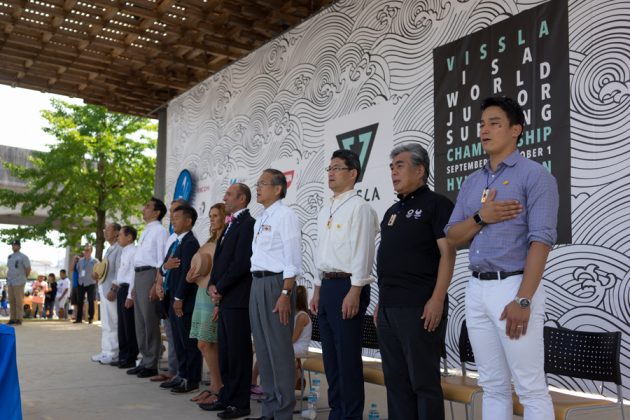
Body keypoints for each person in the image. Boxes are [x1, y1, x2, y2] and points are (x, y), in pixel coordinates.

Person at [445, 96, 558, 420]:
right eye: (482, 124)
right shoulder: (472, 181)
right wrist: (482, 216)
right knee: (492, 385)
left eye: (494, 123)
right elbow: (452, 237)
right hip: (476, 289)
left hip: (514, 287)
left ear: (516, 130)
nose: (484, 130)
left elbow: (541, 242)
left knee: (529, 387)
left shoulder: (535, 176)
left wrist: (523, 300)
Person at [375, 143, 456, 420]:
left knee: (423, 383)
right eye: (391, 167)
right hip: (388, 308)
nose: (393, 172)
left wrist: (436, 300)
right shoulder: (391, 212)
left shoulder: (437, 204)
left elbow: (448, 255)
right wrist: (380, 304)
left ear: (420, 170)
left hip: (420, 308)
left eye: (400, 165)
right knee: (396, 383)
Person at [308, 149, 378, 419]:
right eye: (329, 169)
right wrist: (316, 288)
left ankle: (349, 415)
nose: (331, 173)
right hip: (327, 286)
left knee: (347, 358)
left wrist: (356, 289)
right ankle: (336, 411)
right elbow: (321, 253)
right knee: (331, 359)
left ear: (353, 173)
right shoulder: (327, 207)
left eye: (337, 168)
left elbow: (363, 251)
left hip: (349, 286)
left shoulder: (360, 207)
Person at [248, 169, 302, 420]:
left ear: (278, 188)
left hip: (276, 285)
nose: (257, 188)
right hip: (257, 284)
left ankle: (283, 412)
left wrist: (284, 292)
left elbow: (292, 260)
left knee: (279, 350)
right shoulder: (261, 218)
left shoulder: (286, 215)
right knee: (263, 348)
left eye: (262, 184)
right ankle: (268, 410)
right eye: (257, 184)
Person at [202, 184, 255, 420]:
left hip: (238, 299)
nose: (224, 198)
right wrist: (212, 285)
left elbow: (241, 262)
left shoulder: (248, 224)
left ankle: (240, 402)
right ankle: (226, 396)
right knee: (225, 351)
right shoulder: (231, 223)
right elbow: (221, 260)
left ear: (242, 199)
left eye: (229, 195)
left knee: (238, 353)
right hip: (224, 298)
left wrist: (220, 287)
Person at [187, 203, 226, 405]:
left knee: (208, 342)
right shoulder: (210, 241)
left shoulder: (227, 239)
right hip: (201, 293)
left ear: (224, 217)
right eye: (210, 215)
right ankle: (214, 384)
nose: (211, 219)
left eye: (215, 215)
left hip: (215, 295)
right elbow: (197, 273)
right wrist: (192, 275)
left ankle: (218, 386)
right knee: (203, 343)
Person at [161, 204, 201, 393]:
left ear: (188, 221)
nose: (173, 222)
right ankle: (182, 374)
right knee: (178, 341)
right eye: (172, 218)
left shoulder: (191, 243)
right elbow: (165, 266)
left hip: (183, 300)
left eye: (177, 219)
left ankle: (191, 379)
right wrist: (163, 269)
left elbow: (188, 273)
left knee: (188, 342)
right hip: (171, 298)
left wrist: (179, 297)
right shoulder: (176, 242)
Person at [127, 198, 169, 378]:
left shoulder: (160, 231)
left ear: (157, 212)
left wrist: (156, 283)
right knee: (140, 322)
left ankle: (151, 362)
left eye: (147, 207)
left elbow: (161, 259)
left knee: (149, 320)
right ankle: (144, 359)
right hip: (139, 275)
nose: (143, 209)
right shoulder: (147, 230)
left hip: (150, 274)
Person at [252, 284, 312, 396]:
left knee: (272, 351)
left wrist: (277, 342)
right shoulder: (292, 314)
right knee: (265, 350)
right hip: (291, 345)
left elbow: (294, 339)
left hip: (299, 346)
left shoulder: (302, 316)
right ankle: (254, 381)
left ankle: (276, 386)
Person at [154, 198, 187, 387]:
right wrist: (158, 282)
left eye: (177, 213)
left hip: (176, 293)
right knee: (170, 332)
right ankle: (173, 369)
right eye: (171, 213)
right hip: (165, 289)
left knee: (177, 336)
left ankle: (177, 371)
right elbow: (164, 265)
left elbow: (179, 268)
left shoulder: (186, 239)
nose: (172, 217)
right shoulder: (172, 237)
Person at [92, 223, 123, 364]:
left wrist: (114, 289)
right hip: (103, 288)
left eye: (109, 229)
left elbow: (119, 270)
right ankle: (105, 351)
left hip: (112, 291)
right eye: (105, 229)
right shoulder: (109, 249)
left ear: (117, 232)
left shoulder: (120, 248)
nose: (105, 232)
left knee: (113, 322)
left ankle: (113, 353)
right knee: (105, 323)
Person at [111, 225, 139, 369]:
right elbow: (121, 273)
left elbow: (134, 275)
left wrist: (130, 296)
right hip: (122, 288)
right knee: (122, 325)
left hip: (129, 289)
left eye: (120, 235)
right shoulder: (123, 252)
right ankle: (123, 355)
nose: (118, 237)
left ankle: (131, 357)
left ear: (129, 237)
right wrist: (115, 287)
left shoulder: (134, 251)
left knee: (129, 325)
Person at [6, 240, 31, 325]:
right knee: (11, 300)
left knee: (19, 301)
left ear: (19, 247)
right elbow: (9, 268)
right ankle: (12, 318)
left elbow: (28, 269)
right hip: (10, 281)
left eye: (16, 245)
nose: (14, 247)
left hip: (19, 281)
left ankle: (19, 319)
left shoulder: (23, 257)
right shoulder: (10, 256)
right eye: (13, 245)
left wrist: (23, 277)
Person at [75, 244, 98, 324]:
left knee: (91, 300)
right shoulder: (80, 261)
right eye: (85, 250)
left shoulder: (95, 261)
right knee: (79, 300)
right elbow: (78, 270)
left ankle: (90, 318)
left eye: (87, 250)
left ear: (91, 251)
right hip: (81, 282)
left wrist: (95, 275)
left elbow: (99, 271)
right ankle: (78, 319)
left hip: (91, 283)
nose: (85, 251)